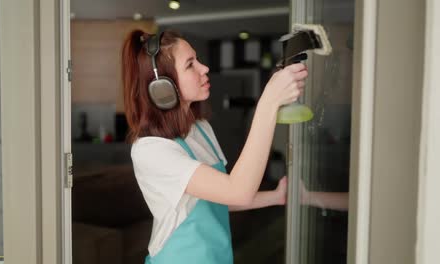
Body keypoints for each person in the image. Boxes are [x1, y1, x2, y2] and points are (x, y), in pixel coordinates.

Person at [121, 29, 308, 264]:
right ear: (163, 86)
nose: (204, 68)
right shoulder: (151, 150)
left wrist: (275, 196)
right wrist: (268, 102)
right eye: (190, 64)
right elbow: (237, 190)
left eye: (197, 59)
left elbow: (217, 197)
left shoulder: (200, 128)